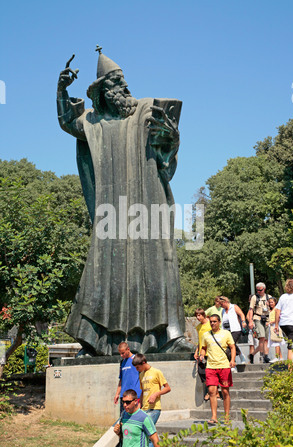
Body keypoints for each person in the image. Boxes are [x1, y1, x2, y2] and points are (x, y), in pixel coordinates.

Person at [57, 48, 192, 355]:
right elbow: (68, 123)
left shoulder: (146, 110)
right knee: (103, 269)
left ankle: (169, 336)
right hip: (112, 212)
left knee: (160, 263)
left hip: (149, 203)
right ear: (102, 93)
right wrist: (61, 90)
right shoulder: (93, 123)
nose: (123, 89)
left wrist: (172, 139)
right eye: (114, 84)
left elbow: (165, 153)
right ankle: (96, 341)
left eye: (123, 82)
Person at [200, 314, 236, 424]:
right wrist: (202, 355)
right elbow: (203, 348)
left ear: (219, 322)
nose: (212, 323)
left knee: (225, 391)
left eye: (214, 321)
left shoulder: (226, 333)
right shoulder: (206, 335)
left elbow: (232, 347)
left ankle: (226, 416)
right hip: (210, 366)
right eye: (211, 321)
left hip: (224, 366)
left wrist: (233, 360)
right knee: (211, 391)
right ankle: (214, 416)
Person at [132, 353, 170, 447]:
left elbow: (168, 388)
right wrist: (139, 404)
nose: (137, 370)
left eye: (138, 367)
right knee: (145, 433)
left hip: (154, 408)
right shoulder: (141, 374)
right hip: (144, 408)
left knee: (148, 433)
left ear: (144, 362)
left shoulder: (156, 372)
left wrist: (156, 394)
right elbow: (143, 391)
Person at [193, 308, 220, 400]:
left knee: (211, 373)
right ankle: (214, 392)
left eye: (199, 315)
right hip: (202, 353)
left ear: (203, 315)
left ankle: (212, 392)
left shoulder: (210, 324)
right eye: (196, 316)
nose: (198, 317)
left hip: (211, 352)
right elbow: (200, 340)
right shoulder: (198, 327)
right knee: (202, 373)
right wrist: (197, 351)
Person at [275, 279, 293, 362]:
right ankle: (290, 369)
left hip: (284, 324)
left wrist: (276, 325)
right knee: (292, 347)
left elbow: (277, 311)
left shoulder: (283, 297)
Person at [218, 296, 247, 370]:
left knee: (230, 346)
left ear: (225, 302)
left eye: (221, 304)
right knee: (231, 344)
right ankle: (241, 355)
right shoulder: (223, 311)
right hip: (226, 330)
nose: (221, 306)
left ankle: (232, 364)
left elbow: (241, 314)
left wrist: (243, 321)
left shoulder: (234, 307)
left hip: (235, 329)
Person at [114, 342, 142, 414]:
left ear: (128, 349)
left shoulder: (136, 359)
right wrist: (117, 394)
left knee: (135, 418)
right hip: (124, 396)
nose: (121, 355)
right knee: (123, 419)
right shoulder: (122, 362)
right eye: (120, 353)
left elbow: (143, 376)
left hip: (134, 395)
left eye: (123, 353)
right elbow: (121, 380)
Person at [247, 283, 271, 363]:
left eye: (260, 290)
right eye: (257, 290)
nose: (259, 291)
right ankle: (264, 356)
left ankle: (255, 354)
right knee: (262, 338)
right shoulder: (254, 297)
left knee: (266, 339)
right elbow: (251, 309)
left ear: (264, 289)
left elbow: (273, 309)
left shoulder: (269, 297)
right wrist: (250, 321)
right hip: (258, 318)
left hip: (267, 319)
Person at [267, 297, 285, 362]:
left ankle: (277, 357)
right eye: (270, 302)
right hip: (272, 326)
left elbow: (278, 318)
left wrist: (270, 322)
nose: (271, 303)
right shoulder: (271, 309)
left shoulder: (276, 309)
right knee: (276, 341)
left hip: (275, 326)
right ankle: (281, 357)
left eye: (272, 302)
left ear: (275, 302)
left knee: (276, 342)